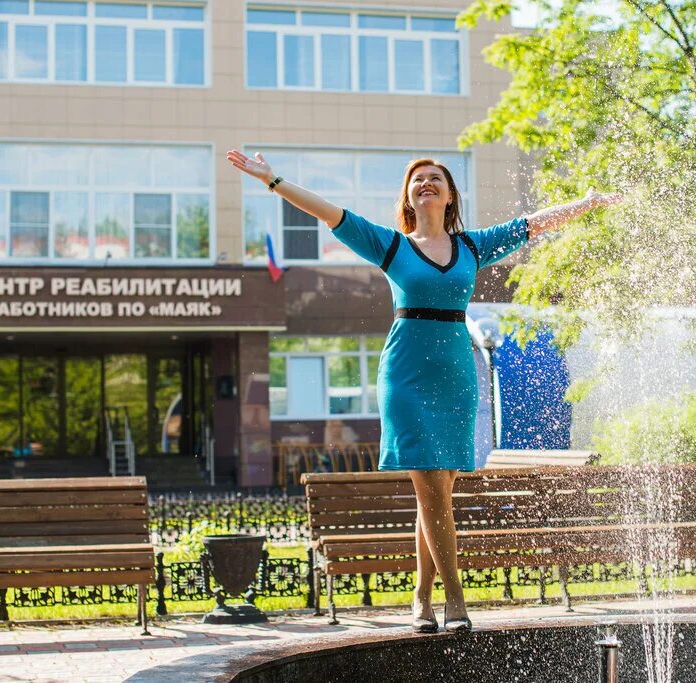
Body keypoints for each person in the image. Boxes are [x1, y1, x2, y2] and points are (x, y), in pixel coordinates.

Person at [226, 149, 622, 632]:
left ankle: (420, 597)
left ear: (450, 195)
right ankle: (455, 599)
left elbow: (530, 225)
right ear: (409, 197)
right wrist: (273, 180)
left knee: (437, 493)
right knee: (432, 487)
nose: (426, 183)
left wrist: (586, 203)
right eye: (417, 179)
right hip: (406, 379)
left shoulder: (473, 246)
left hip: (455, 378)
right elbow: (329, 212)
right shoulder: (392, 246)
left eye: (435, 177)